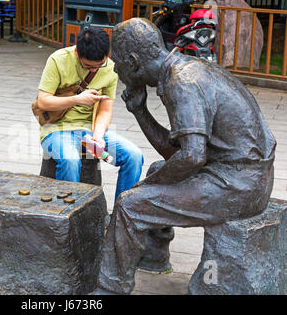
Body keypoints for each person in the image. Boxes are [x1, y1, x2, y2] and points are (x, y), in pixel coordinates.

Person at [94, 18, 276, 294]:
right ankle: (154, 256)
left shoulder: (182, 83)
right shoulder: (186, 68)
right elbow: (180, 154)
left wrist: (147, 187)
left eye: (118, 63)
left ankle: (109, 289)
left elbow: (191, 158)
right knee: (158, 169)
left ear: (132, 62)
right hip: (245, 176)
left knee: (130, 205)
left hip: (240, 187)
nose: (116, 70)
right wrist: (140, 112)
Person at [36, 27, 144, 202]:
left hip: (90, 130)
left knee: (134, 155)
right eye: (87, 66)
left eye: (98, 66)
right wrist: (77, 99)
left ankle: (121, 216)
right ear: (77, 52)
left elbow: (106, 109)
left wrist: (98, 137)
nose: (93, 70)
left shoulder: (110, 68)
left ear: (107, 55)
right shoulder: (58, 59)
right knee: (70, 161)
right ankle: (70, 217)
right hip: (55, 129)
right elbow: (43, 101)